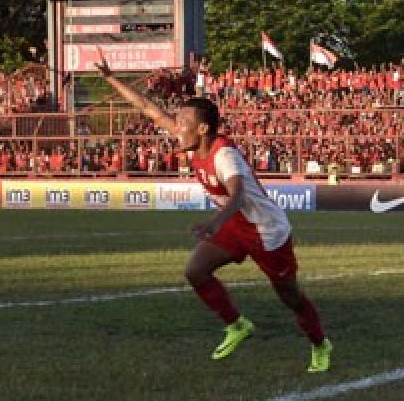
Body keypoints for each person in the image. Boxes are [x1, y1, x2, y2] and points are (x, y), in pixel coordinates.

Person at [95, 53, 332, 372]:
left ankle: (320, 343)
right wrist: (110, 78)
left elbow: (238, 193)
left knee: (290, 296)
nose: (176, 128)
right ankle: (237, 325)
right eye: (176, 122)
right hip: (236, 224)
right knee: (195, 270)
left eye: (183, 124)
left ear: (203, 128)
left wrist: (214, 221)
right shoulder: (193, 143)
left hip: (266, 232)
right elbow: (149, 109)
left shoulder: (224, 156)